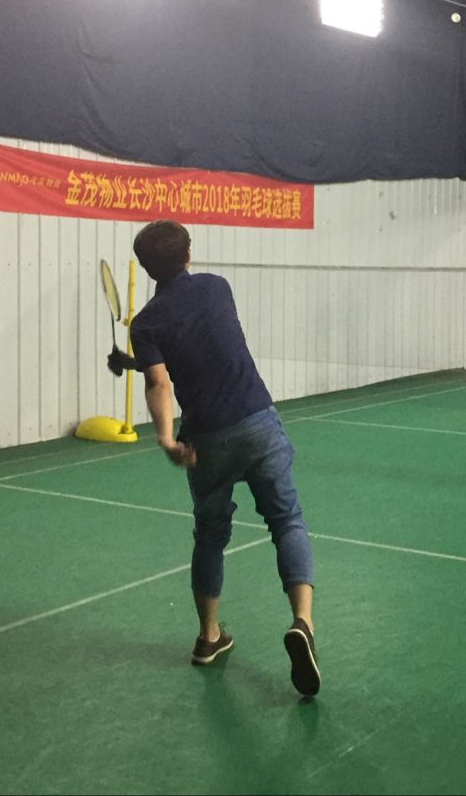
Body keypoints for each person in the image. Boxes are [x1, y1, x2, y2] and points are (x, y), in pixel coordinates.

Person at [125, 220, 320, 697]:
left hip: (205, 440)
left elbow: (159, 381)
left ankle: (209, 637)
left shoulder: (145, 324)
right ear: (188, 254)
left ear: (147, 268)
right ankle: (302, 622)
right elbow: (206, 342)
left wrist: (165, 438)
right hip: (256, 422)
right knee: (286, 521)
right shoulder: (217, 287)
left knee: (210, 536)